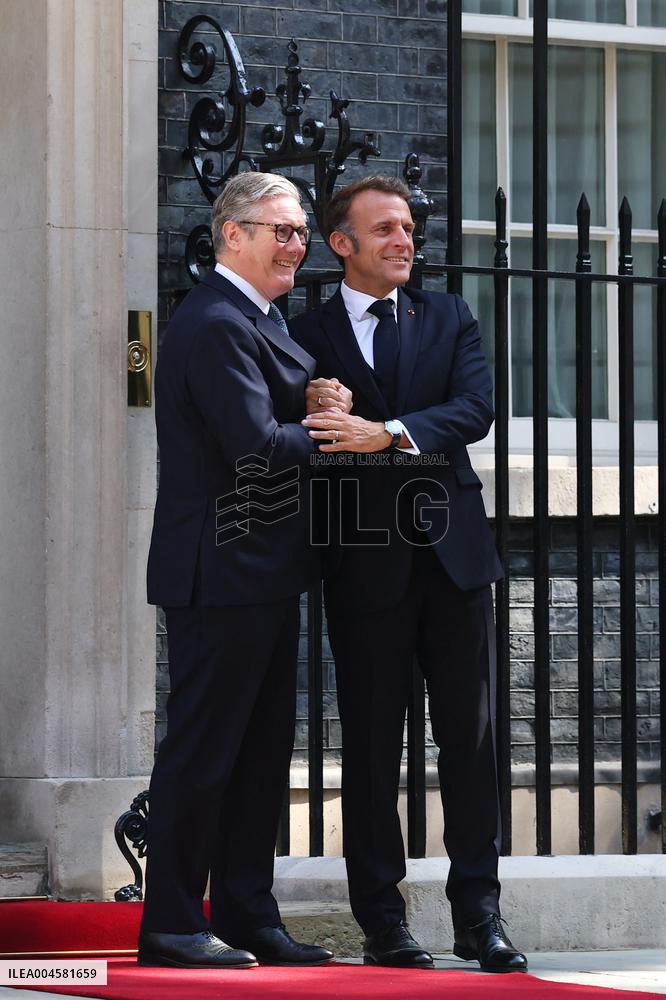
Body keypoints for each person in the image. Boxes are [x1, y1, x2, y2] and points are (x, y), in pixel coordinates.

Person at [289, 176, 527, 974]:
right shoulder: (306, 331)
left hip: (455, 559)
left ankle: (479, 918)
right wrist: (311, 402)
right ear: (341, 244)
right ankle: (383, 923)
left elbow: (474, 410)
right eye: (384, 228)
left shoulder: (450, 315)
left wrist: (384, 432)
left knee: (471, 742)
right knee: (368, 749)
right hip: (362, 566)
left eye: (409, 227)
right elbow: (291, 428)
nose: (405, 240)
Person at [139, 172, 344, 970]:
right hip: (221, 570)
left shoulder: (256, 318)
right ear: (231, 234)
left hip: (260, 569)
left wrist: (310, 400)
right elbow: (256, 450)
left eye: (299, 232)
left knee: (261, 754)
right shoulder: (219, 321)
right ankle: (174, 922)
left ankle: (249, 914)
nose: (295, 244)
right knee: (203, 751)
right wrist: (329, 425)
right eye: (280, 230)